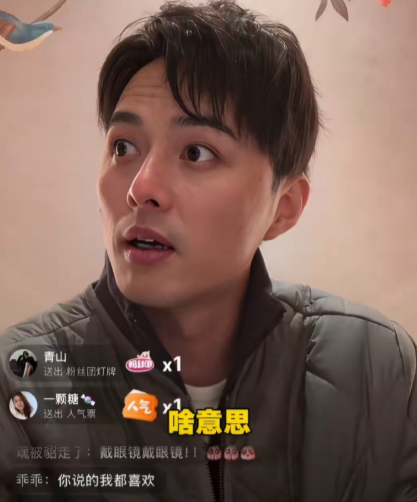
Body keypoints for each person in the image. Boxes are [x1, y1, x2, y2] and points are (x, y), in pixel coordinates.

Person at [0, 1, 416, 501]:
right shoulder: (20, 382)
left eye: (196, 152)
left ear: (283, 208)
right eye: (123, 147)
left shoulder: (376, 366)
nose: (140, 189)